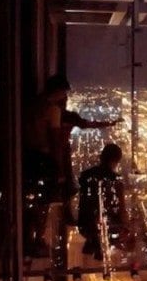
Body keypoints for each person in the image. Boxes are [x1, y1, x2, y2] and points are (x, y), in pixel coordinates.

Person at [23, 75, 119, 250]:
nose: (65, 97)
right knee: (46, 198)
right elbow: (56, 139)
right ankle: (39, 238)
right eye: (64, 93)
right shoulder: (54, 111)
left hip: (29, 156)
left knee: (36, 199)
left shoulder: (32, 106)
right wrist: (58, 168)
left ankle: (31, 237)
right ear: (59, 91)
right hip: (47, 158)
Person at [77, 143, 129, 260]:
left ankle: (96, 241)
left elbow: (84, 203)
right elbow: (121, 208)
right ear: (115, 160)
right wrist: (127, 225)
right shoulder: (116, 180)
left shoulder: (86, 176)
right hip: (107, 226)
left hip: (86, 225)